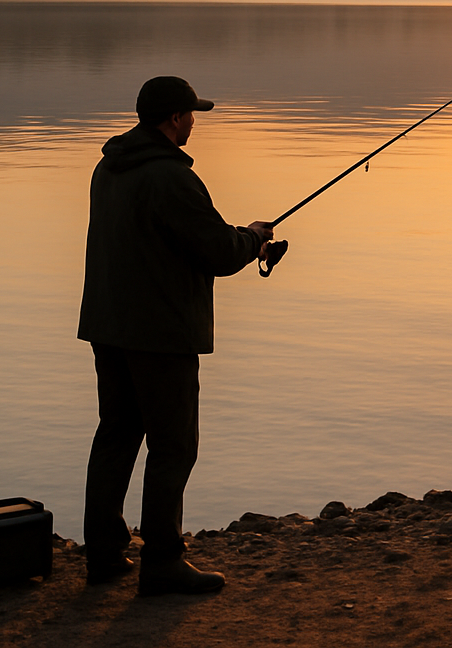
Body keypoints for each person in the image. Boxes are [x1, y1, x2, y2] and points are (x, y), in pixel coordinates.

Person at [78, 76, 274, 595]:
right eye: (191, 115)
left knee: (116, 436)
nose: (194, 123)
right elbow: (216, 250)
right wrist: (253, 238)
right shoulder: (171, 178)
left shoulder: (109, 167)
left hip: (108, 326)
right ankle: (162, 562)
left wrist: (239, 239)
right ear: (172, 119)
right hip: (160, 334)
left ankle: (102, 554)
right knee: (173, 447)